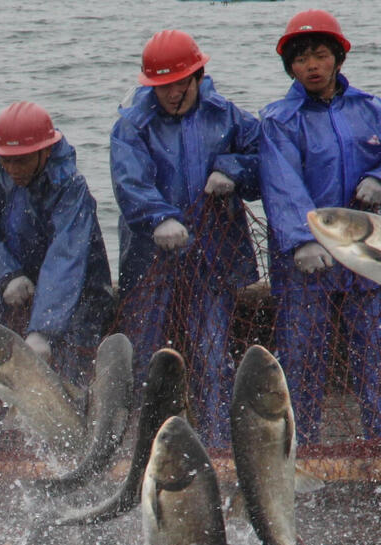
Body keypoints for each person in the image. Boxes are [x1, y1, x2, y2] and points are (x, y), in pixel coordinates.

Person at [260, 9, 381, 441]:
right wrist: (300, 241)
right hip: (306, 262)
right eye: (300, 59)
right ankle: (301, 449)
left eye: (319, 55)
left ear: (337, 57)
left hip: (367, 255)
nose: (311, 65)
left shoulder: (372, 109)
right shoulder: (279, 120)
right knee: (301, 357)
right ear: (290, 67)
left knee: (377, 353)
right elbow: (281, 183)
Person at [109, 29, 261, 441]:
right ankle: (142, 451)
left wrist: (232, 170)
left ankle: (219, 447)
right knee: (146, 361)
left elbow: (264, 157)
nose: (172, 93)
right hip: (151, 260)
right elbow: (128, 181)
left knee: (214, 360)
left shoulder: (227, 115)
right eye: (161, 86)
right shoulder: (131, 125)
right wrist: (159, 218)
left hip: (212, 258)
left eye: (179, 83)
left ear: (198, 76)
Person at [0, 101, 113, 385]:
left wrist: (43, 329)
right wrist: (6, 274)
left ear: (45, 152)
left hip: (74, 295)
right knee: (4, 383)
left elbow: (66, 256)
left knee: (72, 381)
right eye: (5, 160)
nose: (11, 168)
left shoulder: (69, 185)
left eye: (21, 161)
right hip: (9, 291)